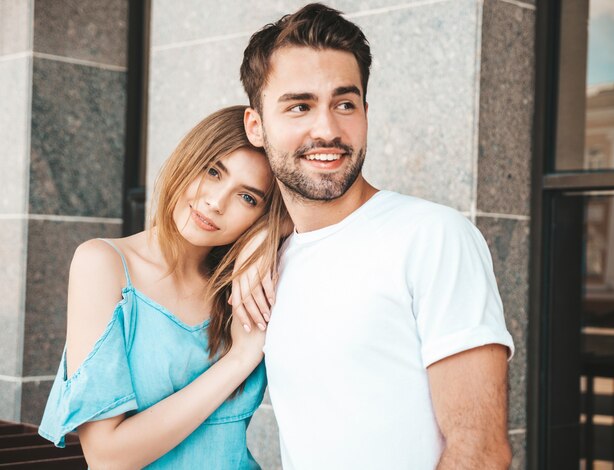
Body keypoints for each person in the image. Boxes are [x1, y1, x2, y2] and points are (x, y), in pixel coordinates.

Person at [232, 4, 516, 469]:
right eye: (300, 106)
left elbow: (480, 450)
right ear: (256, 126)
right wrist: (258, 243)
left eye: (344, 104)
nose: (327, 129)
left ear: (365, 111)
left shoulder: (432, 236)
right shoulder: (270, 258)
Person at [38, 105, 288, 469]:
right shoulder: (104, 265)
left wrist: (265, 237)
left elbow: (329, 212)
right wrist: (238, 360)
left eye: (247, 198)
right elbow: (107, 457)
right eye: (213, 171)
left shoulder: (243, 282)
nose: (215, 203)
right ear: (188, 157)